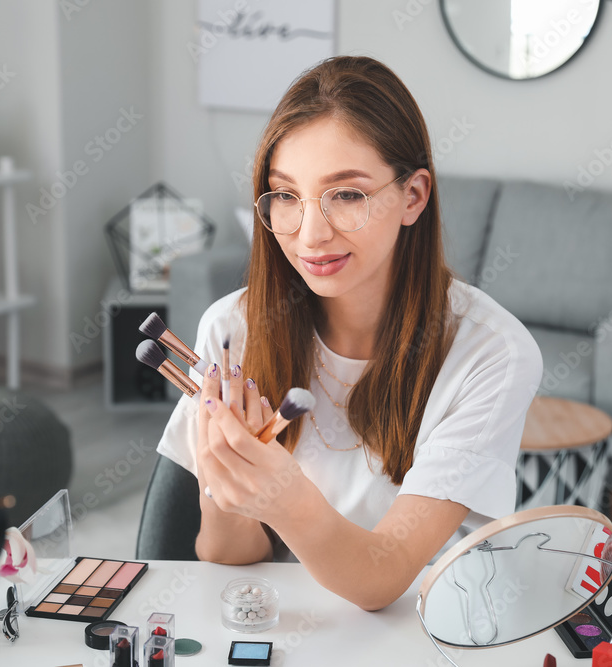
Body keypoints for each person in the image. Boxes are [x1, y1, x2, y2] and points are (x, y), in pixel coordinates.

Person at [156, 55, 542, 611]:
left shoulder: (491, 355)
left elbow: (381, 580)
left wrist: (285, 498)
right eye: (286, 196)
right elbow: (226, 557)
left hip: (427, 628)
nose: (310, 234)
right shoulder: (230, 330)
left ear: (413, 197)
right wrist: (225, 480)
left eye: (347, 195)